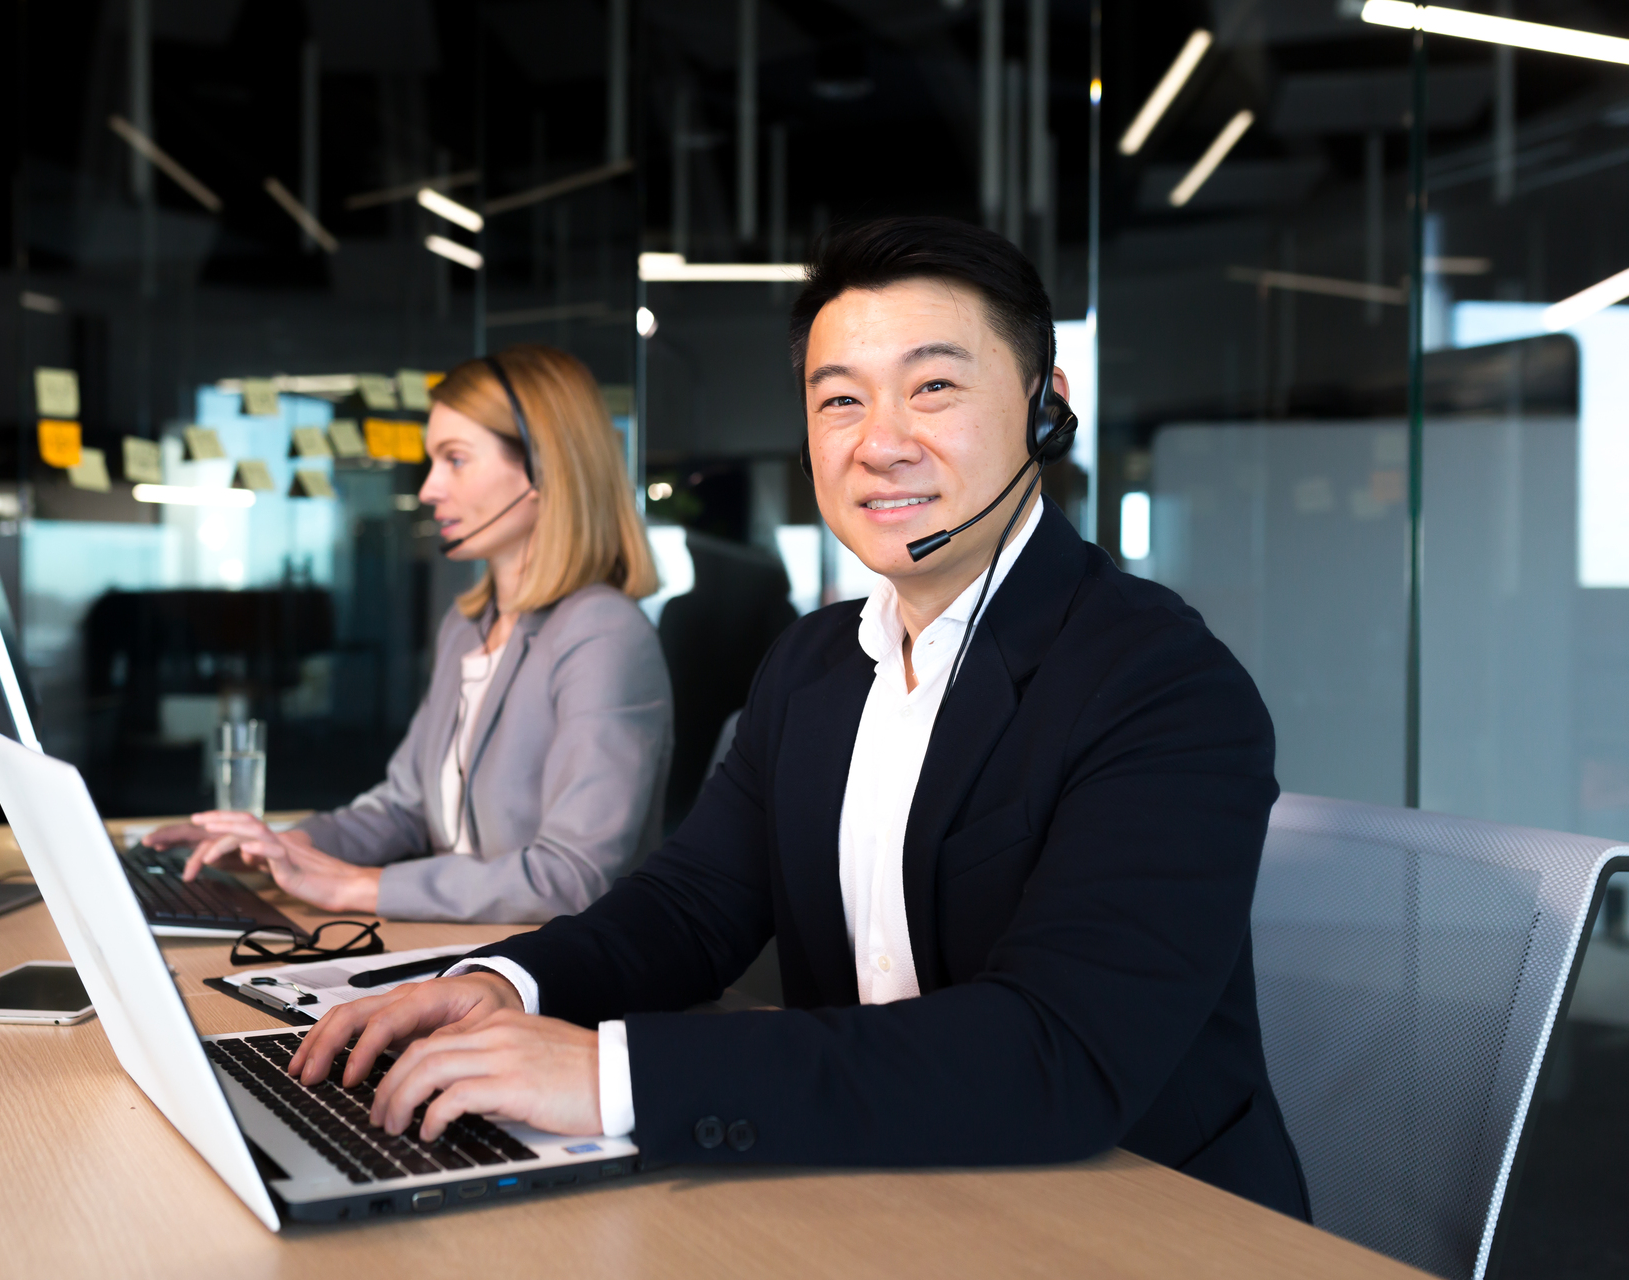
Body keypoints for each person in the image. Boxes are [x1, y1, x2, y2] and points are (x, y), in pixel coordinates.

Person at [283, 218, 1310, 1218]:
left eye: (934, 387)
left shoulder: (1163, 683)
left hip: (1137, 1218)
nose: (880, 444)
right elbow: (692, 904)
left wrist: (611, 1074)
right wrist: (510, 981)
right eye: (838, 401)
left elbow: (1055, 1052)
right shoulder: (814, 665)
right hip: (878, 1187)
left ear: (1048, 408)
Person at [145, 345, 671, 924]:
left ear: (546, 468)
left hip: (555, 975)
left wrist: (359, 888)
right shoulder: (468, 626)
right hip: (462, 947)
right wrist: (279, 849)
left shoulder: (603, 634)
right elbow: (403, 808)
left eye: (456, 459)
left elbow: (572, 878)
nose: (428, 489)